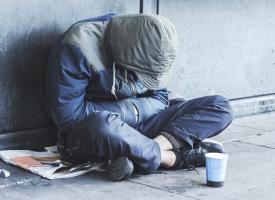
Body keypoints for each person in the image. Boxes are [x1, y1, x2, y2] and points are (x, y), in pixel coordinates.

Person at [45, 14, 233, 181]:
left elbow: (160, 98)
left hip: (139, 124)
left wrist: (135, 119)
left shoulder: (152, 44)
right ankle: (173, 158)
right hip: (94, 134)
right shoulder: (76, 47)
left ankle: (140, 151)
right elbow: (70, 119)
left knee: (220, 107)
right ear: (127, 55)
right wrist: (133, 112)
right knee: (101, 124)